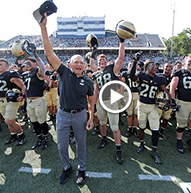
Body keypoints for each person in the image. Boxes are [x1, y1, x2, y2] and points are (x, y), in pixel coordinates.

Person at [39, 13, 95, 185]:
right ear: (70, 64)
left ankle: (82, 169)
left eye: (81, 62)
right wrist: (43, 27)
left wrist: (91, 117)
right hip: (62, 114)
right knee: (62, 145)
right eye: (75, 62)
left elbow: (92, 100)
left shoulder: (88, 81)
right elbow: (49, 53)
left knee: (81, 145)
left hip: (80, 115)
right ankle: (66, 168)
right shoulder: (63, 72)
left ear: (84, 65)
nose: (79, 64)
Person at [93, 30, 125, 164]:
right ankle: (104, 139)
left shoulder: (112, 69)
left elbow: (121, 58)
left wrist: (122, 42)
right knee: (102, 123)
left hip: (112, 101)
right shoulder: (96, 74)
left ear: (107, 61)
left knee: (115, 126)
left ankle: (118, 149)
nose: (102, 61)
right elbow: (96, 91)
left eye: (104, 59)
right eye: (100, 59)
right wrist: (93, 105)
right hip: (101, 102)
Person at [130, 58, 169, 164]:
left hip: (153, 107)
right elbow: (132, 77)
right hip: (142, 106)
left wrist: (171, 99)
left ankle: (154, 150)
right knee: (141, 127)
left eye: (156, 65)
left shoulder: (159, 78)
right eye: (152, 65)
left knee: (155, 129)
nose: (155, 67)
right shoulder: (142, 76)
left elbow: (164, 89)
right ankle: (142, 143)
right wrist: (134, 63)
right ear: (146, 67)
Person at [0, 58, 27, 146]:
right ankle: (13, 135)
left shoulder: (11, 74)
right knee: (8, 119)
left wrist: (22, 96)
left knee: (9, 121)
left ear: (7, 66)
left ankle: (21, 135)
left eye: (1, 64)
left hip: (11, 100)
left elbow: (23, 86)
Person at [22, 55, 49, 150]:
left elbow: (43, 68)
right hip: (29, 101)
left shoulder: (38, 71)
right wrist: (22, 96)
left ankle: (45, 137)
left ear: (35, 63)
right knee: (33, 121)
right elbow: (25, 87)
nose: (27, 65)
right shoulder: (26, 74)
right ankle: (39, 138)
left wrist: (37, 56)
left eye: (29, 63)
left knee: (42, 121)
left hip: (39, 100)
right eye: (25, 63)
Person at [121, 59, 139, 138]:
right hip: (128, 94)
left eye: (133, 65)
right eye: (130, 65)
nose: (132, 66)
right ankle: (129, 128)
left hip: (137, 94)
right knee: (129, 114)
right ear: (128, 66)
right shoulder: (125, 74)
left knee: (136, 114)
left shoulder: (138, 74)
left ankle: (135, 128)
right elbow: (122, 85)